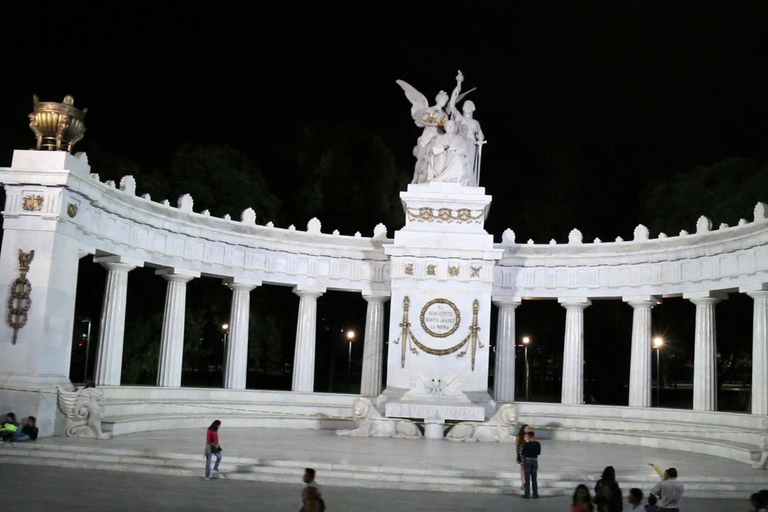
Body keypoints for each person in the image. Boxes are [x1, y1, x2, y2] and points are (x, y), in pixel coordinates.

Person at [521, 430, 541, 499]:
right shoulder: (537, 444)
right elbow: (538, 453)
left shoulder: (527, 444)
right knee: (534, 478)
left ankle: (527, 494)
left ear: (529, 437)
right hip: (535, 461)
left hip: (528, 461)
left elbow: (523, 453)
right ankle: (535, 494)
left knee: (527, 478)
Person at [515, 424, 530, 490]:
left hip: (529, 454)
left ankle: (527, 482)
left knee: (528, 469)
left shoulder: (530, 436)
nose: (528, 430)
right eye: (526, 428)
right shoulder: (519, 437)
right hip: (522, 454)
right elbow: (517, 446)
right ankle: (523, 483)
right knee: (522, 469)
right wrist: (518, 455)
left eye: (528, 428)